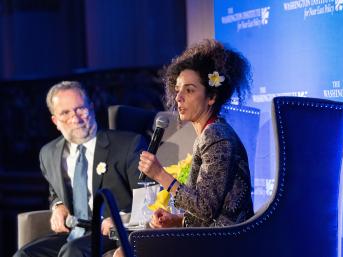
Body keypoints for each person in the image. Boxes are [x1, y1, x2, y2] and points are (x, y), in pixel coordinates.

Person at [14, 81, 146, 257]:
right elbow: (54, 189)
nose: (75, 119)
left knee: (73, 252)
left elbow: (146, 197)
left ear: (91, 107)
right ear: (55, 120)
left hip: (112, 232)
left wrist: (123, 219)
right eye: (65, 113)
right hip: (75, 232)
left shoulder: (127, 144)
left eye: (80, 109)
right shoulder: (49, 153)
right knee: (25, 254)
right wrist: (57, 205)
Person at [140, 38, 254, 228]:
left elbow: (204, 207)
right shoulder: (210, 132)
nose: (178, 97)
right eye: (177, 90)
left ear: (211, 97)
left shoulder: (217, 135)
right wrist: (177, 220)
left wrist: (160, 174)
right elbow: (210, 212)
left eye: (189, 90)